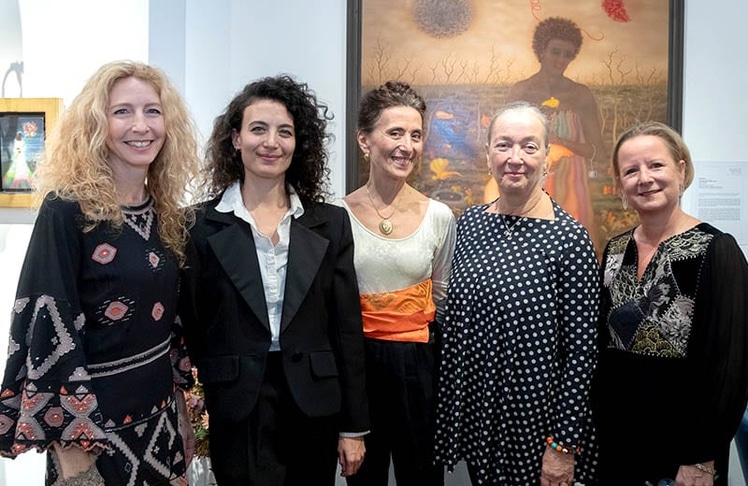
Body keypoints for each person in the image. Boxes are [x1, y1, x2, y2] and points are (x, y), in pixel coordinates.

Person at [0, 60, 201, 484]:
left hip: (161, 426)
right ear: (96, 124)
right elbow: (48, 332)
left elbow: (169, 328)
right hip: (92, 440)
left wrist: (182, 415)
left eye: (153, 111)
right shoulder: (66, 210)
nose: (141, 125)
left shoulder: (164, 211)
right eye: (122, 111)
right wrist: (75, 463)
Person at [179, 74, 369, 486]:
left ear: (298, 143)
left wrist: (354, 426)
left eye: (285, 131)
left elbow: (347, 329)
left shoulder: (330, 224)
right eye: (258, 129)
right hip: (235, 400)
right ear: (235, 138)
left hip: (315, 400)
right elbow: (193, 322)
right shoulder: (198, 226)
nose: (272, 142)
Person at [434, 101, 599, 486]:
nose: (515, 158)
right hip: (480, 415)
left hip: (536, 427)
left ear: (547, 158)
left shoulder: (569, 238)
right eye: (504, 145)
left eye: (529, 146)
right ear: (488, 152)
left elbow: (582, 353)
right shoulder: (471, 224)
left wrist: (562, 444)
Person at [593, 121, 748, 485]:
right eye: (631, 170)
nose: (644, 178)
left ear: (680, 170)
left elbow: (730, 366)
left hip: (684, 458)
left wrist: (701, 459)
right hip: (618, 450)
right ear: (620, 185)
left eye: (656, 165)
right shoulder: (615, 249)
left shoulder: (717, 250)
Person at [338, 80, 456, 486]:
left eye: (416, 135)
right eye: (395, 133)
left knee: (422, 478)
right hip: (358, 368)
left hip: (420, 370)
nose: (407, 145)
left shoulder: (439, 215)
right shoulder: (336, 215)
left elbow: (440, 297)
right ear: (365, 140)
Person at [505, 16, 607, 247]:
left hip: (572, 186)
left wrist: (562, 142)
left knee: (572, 256)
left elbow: (598, 152)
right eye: (556, 51)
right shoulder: (520, 91)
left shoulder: (580, 95)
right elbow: (506, 145)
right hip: (528, 185)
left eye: (568, 54)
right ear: (541, 50)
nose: (561, 59)